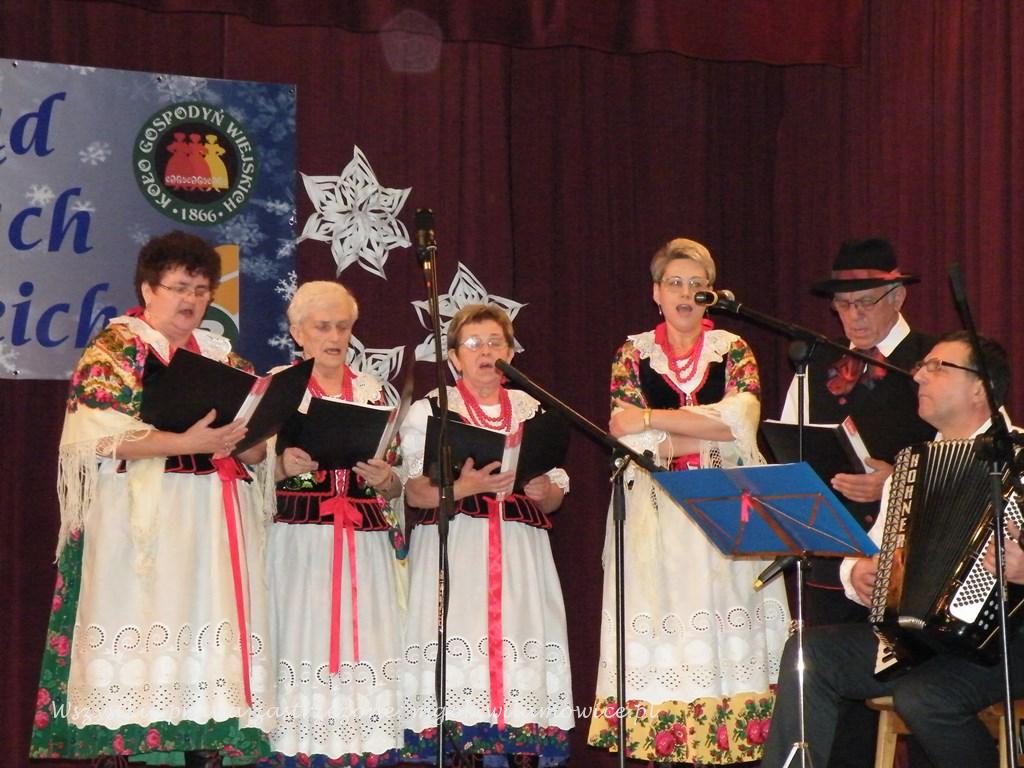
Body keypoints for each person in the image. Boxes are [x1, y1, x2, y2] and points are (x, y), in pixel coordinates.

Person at [29, 231, 274, 766]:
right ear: (148, 288)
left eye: (202, 290)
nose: (192, 300)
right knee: (142, 619)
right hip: (145, 509)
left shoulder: (221, 355)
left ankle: (205, 741)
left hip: (212, 512)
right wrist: (187, 442)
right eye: (180, 287)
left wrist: (254, 442)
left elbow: (254, 441)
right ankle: (127, 746)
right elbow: (94, 433)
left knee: (208, 619)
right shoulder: (118, 347)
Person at [761, 332, 1018, 768]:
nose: (919, 376)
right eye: (923, 366)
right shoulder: (912, 465)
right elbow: (872, 551)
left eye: (937, 368)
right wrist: (857, 572)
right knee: (809, 653)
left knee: (923, 695)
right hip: (918, 639)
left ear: (981, 388)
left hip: (1006, 642)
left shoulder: (1019, 457)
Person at [587, 237, 789, 765]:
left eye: (696, 284)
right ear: (656, 293)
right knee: (667, 627)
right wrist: (700, 428)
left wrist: (651, 419)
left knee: (729, 617)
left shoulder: (733, 349)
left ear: (710, 294)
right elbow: (626, 438)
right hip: (658, 515)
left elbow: (741, 423)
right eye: (674, 283)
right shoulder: (633, 354)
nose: (685, 293)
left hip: (728, 506)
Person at [778, 238, 937, 767]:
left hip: (913, 567)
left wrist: (893, 480)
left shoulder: (935, 362)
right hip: (834, 556)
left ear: (898, 296)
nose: (854, 316)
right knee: (829, 703)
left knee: (912, 697)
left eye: (866, 302)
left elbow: (968, 452)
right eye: (843, 305)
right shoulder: (816, 362)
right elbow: (787, 447)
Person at [399, 304, 573, 767]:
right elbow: (415, 491)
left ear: (511, 353)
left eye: (496, 342)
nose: (486, 352)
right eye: (473, 344)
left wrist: (545, 490)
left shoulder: (534, 408)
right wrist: (466, 486)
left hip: (520, 555)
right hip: (459, 550)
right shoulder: (433, 409)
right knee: (462, 653)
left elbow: (556, 494)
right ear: (455, 357)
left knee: (521, 654)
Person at [261, 281, 407, 767]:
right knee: (300, 639)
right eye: (322, 326)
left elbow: (398, 481)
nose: (334, 336)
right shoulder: (277, 387)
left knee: (366, 644)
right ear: (297, 332)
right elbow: (245, 465)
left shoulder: (372, 391)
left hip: (364, 544)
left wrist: (387, 479)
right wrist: (279, 466)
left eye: (343, 327)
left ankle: (361, 749)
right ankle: (297, 749)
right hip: (298, 541)